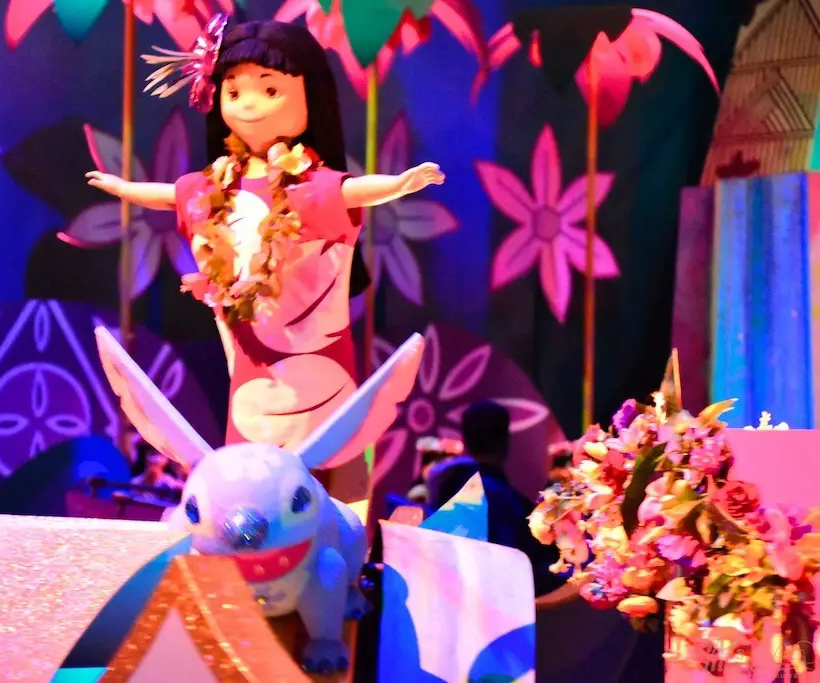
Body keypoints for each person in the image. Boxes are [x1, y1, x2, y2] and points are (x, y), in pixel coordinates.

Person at [84, 17, 444, 454]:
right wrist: (124, 188)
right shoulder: (215, 187)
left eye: (270, 90)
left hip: (314, 358)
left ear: (309, 97)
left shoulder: (307, 186)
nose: (248, 105)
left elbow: (350, 191)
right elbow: (170, 195)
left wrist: (400, 184)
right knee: (251, 448)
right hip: (249, 360)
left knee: (322, 455)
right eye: (234, 92)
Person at [430, 401, 566, 596]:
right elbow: (513, 568)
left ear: (465, 440)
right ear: (505, 441)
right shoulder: (503, 500)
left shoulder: (446, 488)